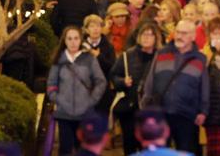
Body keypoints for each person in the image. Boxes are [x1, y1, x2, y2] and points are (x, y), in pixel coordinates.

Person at [141, 19, 209, 154]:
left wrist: (203, 110)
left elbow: (204, 86)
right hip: (161, 113)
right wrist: (146, 104)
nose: (179, 36)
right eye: (177, 32)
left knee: (186, 151)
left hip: (187, 114)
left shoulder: (200, 58)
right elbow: (150, 80)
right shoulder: (161, 53)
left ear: (193, 36)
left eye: (184, 33)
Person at [46, 26, 107, 156]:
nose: (73, 42)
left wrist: (91, 100)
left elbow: (101, 81)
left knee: (84, 150)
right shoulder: (59, 60)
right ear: (65, 41)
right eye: (69, 39)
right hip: (64, 113)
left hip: (85, 113)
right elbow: (51, 84)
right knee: (65, 149)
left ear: (81, 40)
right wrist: (58, 98)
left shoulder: (89, 59)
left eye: (76, 38)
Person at [111, 22, 162, 156]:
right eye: (144, 34)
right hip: (130, 107)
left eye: (150, 35)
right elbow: (113, 76)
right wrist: (122, 81)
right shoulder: (127, 56)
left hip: (152, 108)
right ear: (138, 37)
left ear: (156, 38)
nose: (146, 38)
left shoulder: (162, 57)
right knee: (130, 143)